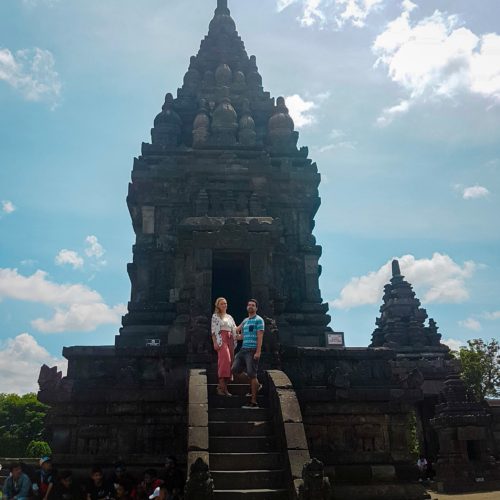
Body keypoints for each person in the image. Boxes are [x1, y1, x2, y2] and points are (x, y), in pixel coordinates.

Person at [232, 299, 265, 409]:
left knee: (252, 374)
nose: (250, 307)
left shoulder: (259, 320)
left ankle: (254, 402)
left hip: (252, 350)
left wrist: (258, 351)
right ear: (247, 307)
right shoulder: (245, 321)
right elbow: (238, 331)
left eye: (253, 305)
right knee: (234, 369)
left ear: (256, 308)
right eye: (249, 305)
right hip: (243, 349)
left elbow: (260, 336)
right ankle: (257, 384)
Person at [211, 297, 237, 396]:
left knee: (231, 364)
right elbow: (213, 331)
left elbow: (235, 328)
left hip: (230, 339)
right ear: (218, 305)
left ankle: (220, 387)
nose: (224, 305)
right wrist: (215, 342)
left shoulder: (230, 317)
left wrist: (245, 324)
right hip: (221, 340)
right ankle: (223, 389)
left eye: (225, 303)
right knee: (225, 361)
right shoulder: (215, 316)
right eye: (222, 304)